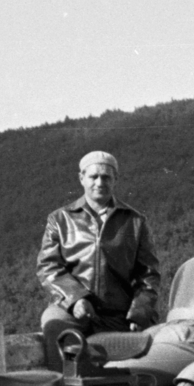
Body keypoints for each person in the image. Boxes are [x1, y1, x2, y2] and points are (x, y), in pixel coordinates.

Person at [36, 150, 161, 369]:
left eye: (106, 177)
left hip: (119, 313)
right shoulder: (60, 219)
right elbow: (48, 267)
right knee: (54, 324)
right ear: (81, 178)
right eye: (94, 176)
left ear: (116, 180)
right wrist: (75, 299)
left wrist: (139, 313)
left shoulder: (135, 221)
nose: (99, 182)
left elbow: (148, 275)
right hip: (71, 309)